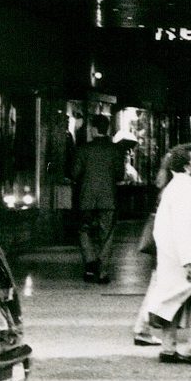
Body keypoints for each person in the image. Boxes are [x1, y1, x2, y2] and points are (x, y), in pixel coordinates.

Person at [143, 144, 191, 366]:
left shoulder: (175, 188)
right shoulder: (185, 191)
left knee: (174, 299)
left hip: (172, 256)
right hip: (185, 257)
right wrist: (189, 261)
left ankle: (168, 348)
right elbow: (183, 227)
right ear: (186, 167)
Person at [71, 115, 127, 284]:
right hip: (108, 199)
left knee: (84, 230)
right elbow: (120, 175)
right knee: (107, 234)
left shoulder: (83, 149)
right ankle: (102, 272)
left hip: (86, 198)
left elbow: (74, 173)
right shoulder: (115, 150)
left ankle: (90, 265)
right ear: (107, 129)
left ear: (93, 129)